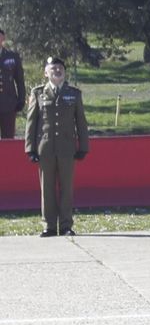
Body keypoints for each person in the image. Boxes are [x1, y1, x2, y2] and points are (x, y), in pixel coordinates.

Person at [24, 57, 89, 237]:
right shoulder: (38, 93)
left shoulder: (74, 94)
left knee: (67, 188)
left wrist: (83, 146)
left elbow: (81, 122)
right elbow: (31, 122)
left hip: (67, 148)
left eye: (60, 68)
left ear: (65, 72)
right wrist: (30, 148)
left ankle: (67, 225)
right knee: (47, 188)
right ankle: (49, 226)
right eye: (53, 69)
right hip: (45, 148)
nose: (57, 71)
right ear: (46, 73)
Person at [0, 29, 25, 138]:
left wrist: (21, 99)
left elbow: (19, 80)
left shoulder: (12, 57)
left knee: (8, 138)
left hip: (8, 104)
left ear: (3, 38)